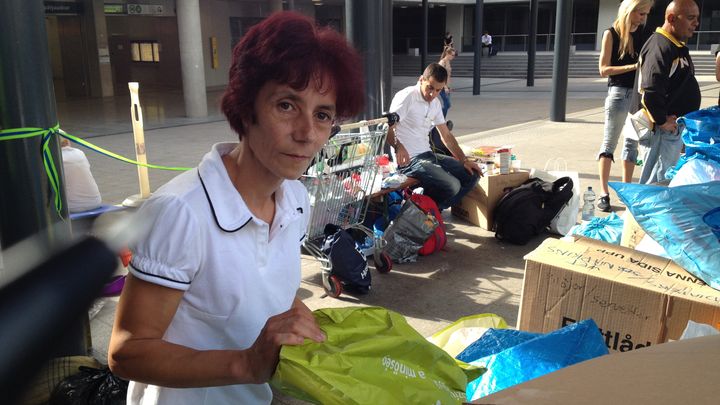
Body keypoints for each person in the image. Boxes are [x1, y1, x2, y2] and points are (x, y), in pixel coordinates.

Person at [108, 12, 364, 404]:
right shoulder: (180, 213)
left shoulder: (295, 198)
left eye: (322, 115)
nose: (306, 133)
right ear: (246, 109)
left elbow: (264, 291)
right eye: (286, 105)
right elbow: (126, 352)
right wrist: (246, 364)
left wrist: (299, 321)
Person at [387, 63, 482, 211]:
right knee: (453, 185)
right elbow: (386, 128)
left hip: (428, 155)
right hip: (409, 161)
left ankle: (428, 214)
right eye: (430, 88)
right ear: (421, 80)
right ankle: (425, 215)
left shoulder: (435, 103)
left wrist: (464, 160)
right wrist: (399, 147)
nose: (432, 94)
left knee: (472, 175)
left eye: (438, 90)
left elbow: (446, 134)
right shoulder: (407, 97)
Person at [626, 0, 700, 185]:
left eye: (697, 18)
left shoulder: (674, 45)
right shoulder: (661, 46)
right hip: (661, 130)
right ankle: (647, 215)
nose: (696, 23)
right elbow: (650, 89)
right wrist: (661, 120)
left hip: (669, 130)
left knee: (662, 182)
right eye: (691, 18)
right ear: (671, 18)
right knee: (656, 184)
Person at [595, 0, 653, 212]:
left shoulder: (645, 34)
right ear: (630, 11)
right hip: (618, 93)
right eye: (640, 14)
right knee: (609, 143)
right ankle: (604, 193)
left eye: (646, 14)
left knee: (632, 144)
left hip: (639, 95)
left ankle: (627, 192)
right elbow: (603, 69)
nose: (643, 18)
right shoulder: (611, 33)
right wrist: (633, 67)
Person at [60, 138, 102, 213]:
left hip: (72, 207)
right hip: (95, 202)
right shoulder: (79, 152)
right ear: (67, 141)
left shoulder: (57, 157)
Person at [438, 46, 457, 118]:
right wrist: (445, 87)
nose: (453, 57)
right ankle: (440, 119)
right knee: (447, 104)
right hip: (442, 87)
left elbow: (448, 76)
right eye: (452, 55)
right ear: (447, 54)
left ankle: (441, 119)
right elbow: (440, 76)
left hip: (447, 86)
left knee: (447, 105)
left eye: (454, 55)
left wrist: (449, 87)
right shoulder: (442, 62)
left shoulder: (448, 62)